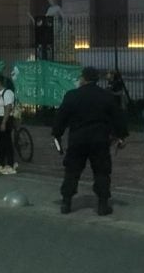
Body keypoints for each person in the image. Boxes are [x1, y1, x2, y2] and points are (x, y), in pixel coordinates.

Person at [52, 66, 127, 216]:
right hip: (99, 139)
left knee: (72, 171)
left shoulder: (72, 95)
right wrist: (121, 135)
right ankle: (102, 204)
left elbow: (62, 116)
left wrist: (57, 133)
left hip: (77, 139)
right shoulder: (106, 96)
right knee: (101, 171)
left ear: (83, 78)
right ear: (96, 79)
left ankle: (66, 202)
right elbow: (117, 117)